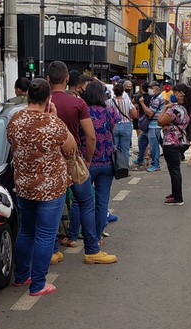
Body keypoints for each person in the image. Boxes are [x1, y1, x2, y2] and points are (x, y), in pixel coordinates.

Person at [6, 78, 77, 296]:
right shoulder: (53, 123)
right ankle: (38, 284)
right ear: (48, 99)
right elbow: (70, 148)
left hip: (24, 186)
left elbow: (12, 143)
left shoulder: (14, 120)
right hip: (50, 188)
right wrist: (54, 118)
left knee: (26, 231)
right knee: (46, 235)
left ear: (28, 95)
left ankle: (21, 276)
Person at [48, 60, 117, 264]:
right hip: (74, 159)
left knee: (52, 206)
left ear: (48, 79)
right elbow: (91, 136)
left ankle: (52, 250)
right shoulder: (77, 103)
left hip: (50, 161)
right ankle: (92, 249)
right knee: (86, 202)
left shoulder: (42, 102)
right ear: (67, 79)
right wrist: (87, 159)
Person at [64, 82, 120, 247]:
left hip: (87, 162)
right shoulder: (110, 111)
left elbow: (88, 136)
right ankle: (96, 237)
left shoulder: (83, 111)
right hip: (108, 162)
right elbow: (112, 130)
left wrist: (88, 158)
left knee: (79, 201)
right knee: (102, 202)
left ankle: (73, 236)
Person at [158, 83, 191, 206]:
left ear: (181, 94)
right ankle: (175, 194)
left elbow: (160, 121)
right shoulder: (186, 109)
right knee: (175, 169)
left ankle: (178, 197)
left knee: (174, 170)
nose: (173, 94)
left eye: (175, 92)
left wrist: (165, 108)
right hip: (182, 142)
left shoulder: (175, 109)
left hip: (171, 142)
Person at [107, 83, 137, 166]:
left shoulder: (108, 102)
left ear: (113, 91)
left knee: (113, 148)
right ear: (123, 91)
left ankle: (114, 167)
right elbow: (134, 114)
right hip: (126, 125)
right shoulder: (128, 102)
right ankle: (124, 168)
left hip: (113, 126)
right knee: (125, 149)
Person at [138, 81, 165, 172]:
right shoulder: (154, 98)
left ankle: (156, 164)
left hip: (154, 126)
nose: (149, 90)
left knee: (154, 146)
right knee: (141, 140)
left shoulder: (158, 99)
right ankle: (140, 159)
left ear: (156, 89)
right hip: (150, 125)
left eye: (151, 88)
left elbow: (150, 113)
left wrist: (142, 103)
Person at [133, 82, 151, 167]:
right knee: (146, 138)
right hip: (150, 119)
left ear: (141, 88)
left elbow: (135, 105)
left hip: (141, 119)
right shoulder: (151, 97)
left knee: (141, 138)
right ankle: (146, 156)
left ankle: (143, 157)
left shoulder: (139, 96)